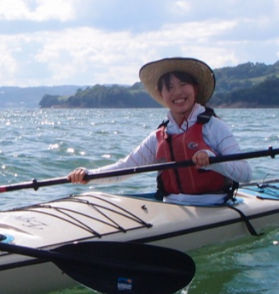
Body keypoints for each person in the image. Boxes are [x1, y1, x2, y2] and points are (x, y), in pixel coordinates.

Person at [66, 57, 253, 204]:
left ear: (195, 88)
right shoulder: (159, 136)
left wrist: (212, 160)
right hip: (170, 207)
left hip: (214, 205)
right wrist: (89, 175)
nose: (177, 93)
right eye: (169, 88)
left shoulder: (214, 127)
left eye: (183, 85)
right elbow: (124, 168)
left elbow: (245, 173)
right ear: (162, 94)